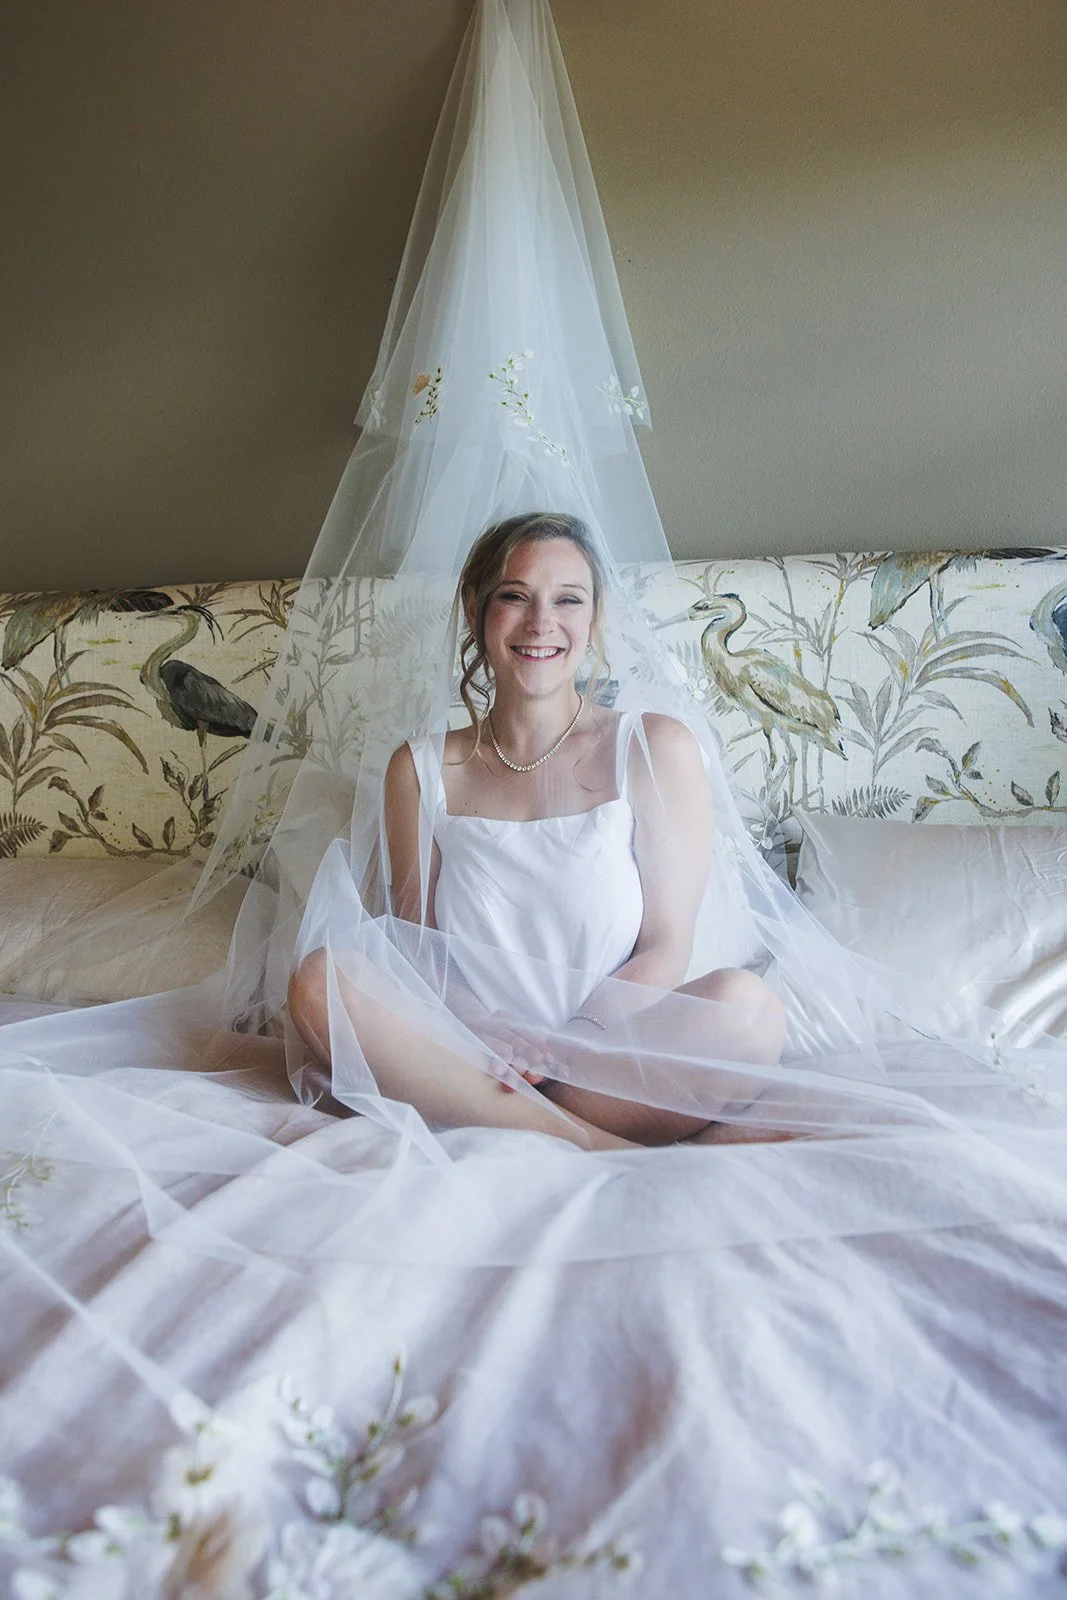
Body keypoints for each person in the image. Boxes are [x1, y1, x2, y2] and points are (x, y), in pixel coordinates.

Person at [288, 511, 787, 1149]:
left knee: (749, 1011)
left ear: (595, 618)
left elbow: (665, 947)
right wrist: (486, 1029)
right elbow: (417, 950)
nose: (540, 622)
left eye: (567, 600)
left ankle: (527, 1127)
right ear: (475, 610)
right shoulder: (420, 769)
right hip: (472, 1058)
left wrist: (570, 1042)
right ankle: (591, 1145)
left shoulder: (653, 746)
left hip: (612, 1057)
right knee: (320, 980)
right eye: (515, 597)